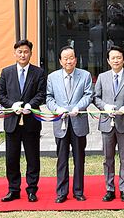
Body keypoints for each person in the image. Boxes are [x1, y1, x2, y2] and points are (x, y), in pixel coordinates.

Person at [0, 39, 47, 203]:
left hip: (31, 121)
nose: (23, 55)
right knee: (11, 158)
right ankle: (13, 190)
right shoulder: (7, 72)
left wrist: (31, 104)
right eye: (20, 52)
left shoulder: (38, 72)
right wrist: (12, 105)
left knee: (33, 158)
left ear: (31, 53)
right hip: (12, 121)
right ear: (15, 53)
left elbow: (42, 93)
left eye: (26, 52)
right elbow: (0, 94)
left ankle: (32, 189)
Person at [46, 45, 94, 203]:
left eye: (71, 58)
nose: (69, 61)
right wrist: (56, 108)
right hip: (61, 123)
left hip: (78, 121)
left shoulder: (85, 75)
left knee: (79, 159)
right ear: (60, 61)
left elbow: (88, 95)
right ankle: (61, 192)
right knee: (62, 159)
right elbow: (49, 98)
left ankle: (78, 191)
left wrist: (78, 107)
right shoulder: (52, 77)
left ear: (76, 59)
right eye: (65, 58)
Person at [93, 44, 124, 202]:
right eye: (113, 58)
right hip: (107, 123)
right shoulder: (102, 77)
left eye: (119, 57)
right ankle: (109, 189)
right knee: (108, 158)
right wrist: (105, 107)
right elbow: (96, 97)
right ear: (108, 60)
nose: (116, 60)